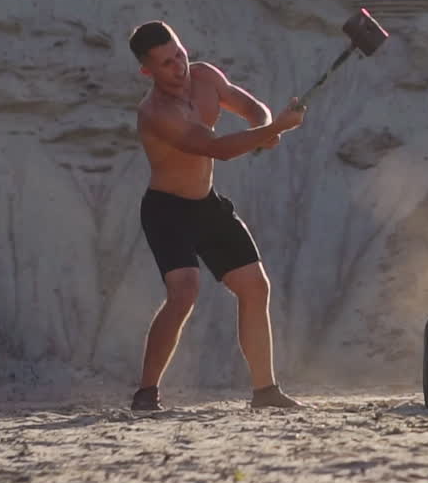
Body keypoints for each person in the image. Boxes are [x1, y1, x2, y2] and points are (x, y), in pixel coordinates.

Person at [127, 20, 307, 410]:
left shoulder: (205, 76)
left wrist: (264, 126)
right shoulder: (156, 112)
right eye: (166, 63)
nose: (179, 66)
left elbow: (249, 106)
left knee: (255, 286)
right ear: (148, 71)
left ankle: (265, 391)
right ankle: (146, 392)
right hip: (166, 210)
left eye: (179, 54)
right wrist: (274, 129)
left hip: (206, 203)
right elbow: (216, 149)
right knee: (184, 291)